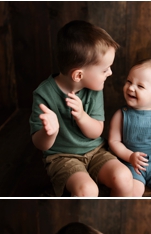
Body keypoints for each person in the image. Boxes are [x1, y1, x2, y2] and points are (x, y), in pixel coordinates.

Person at [30, 20, 133, 197]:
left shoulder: (93, 90)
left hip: (95, 151)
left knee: (124, 177)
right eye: (105, 69)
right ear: (79, 75)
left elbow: (96, 132)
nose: (110, 73)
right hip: (62, 156)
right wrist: (50, 132)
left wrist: (82, 116)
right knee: (87, 190)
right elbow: (39, 144)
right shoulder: (44, 94)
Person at [107, 58, 151, 197]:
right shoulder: (121, 115)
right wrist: (130, 156)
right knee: (132, 192)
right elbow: (113, 142)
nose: (131, 87)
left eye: (140, 86)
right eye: (129, 81)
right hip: (131, 163)